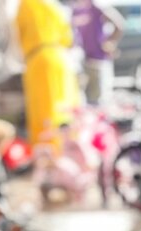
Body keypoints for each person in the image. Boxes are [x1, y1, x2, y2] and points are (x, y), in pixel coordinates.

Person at [16, 0, 82, 145]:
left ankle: (49, 157)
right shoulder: (53, 5)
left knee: (45, 112)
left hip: (39, 60)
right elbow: (69, 38)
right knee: (66, 111)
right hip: (61, 59)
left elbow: (14, 37)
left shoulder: (24, 5)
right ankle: (68, 151)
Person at [70, 0, 124, 107]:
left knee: (99, 98)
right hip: (83, 58)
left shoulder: (98, 7)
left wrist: (109, 42)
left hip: (98, 59)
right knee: (85, 99)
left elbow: (119, 25)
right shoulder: (76, 8)